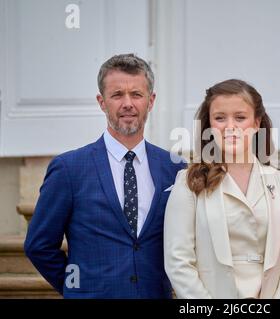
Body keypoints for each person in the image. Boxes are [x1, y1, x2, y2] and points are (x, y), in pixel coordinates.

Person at [24, 53, 185, 298]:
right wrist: (76, 287)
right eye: (117, 95)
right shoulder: (69, 169)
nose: (128, 103)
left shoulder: (173, 168)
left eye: (137, 94)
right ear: (102, 102)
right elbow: (39, 246)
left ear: (151, 101)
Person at [164, 79, 280, 299]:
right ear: (209, 125)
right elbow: (178, 262)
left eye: (240, 118)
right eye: (220, 118)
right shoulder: (188, 183)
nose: (230, 127)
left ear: (257, 123)